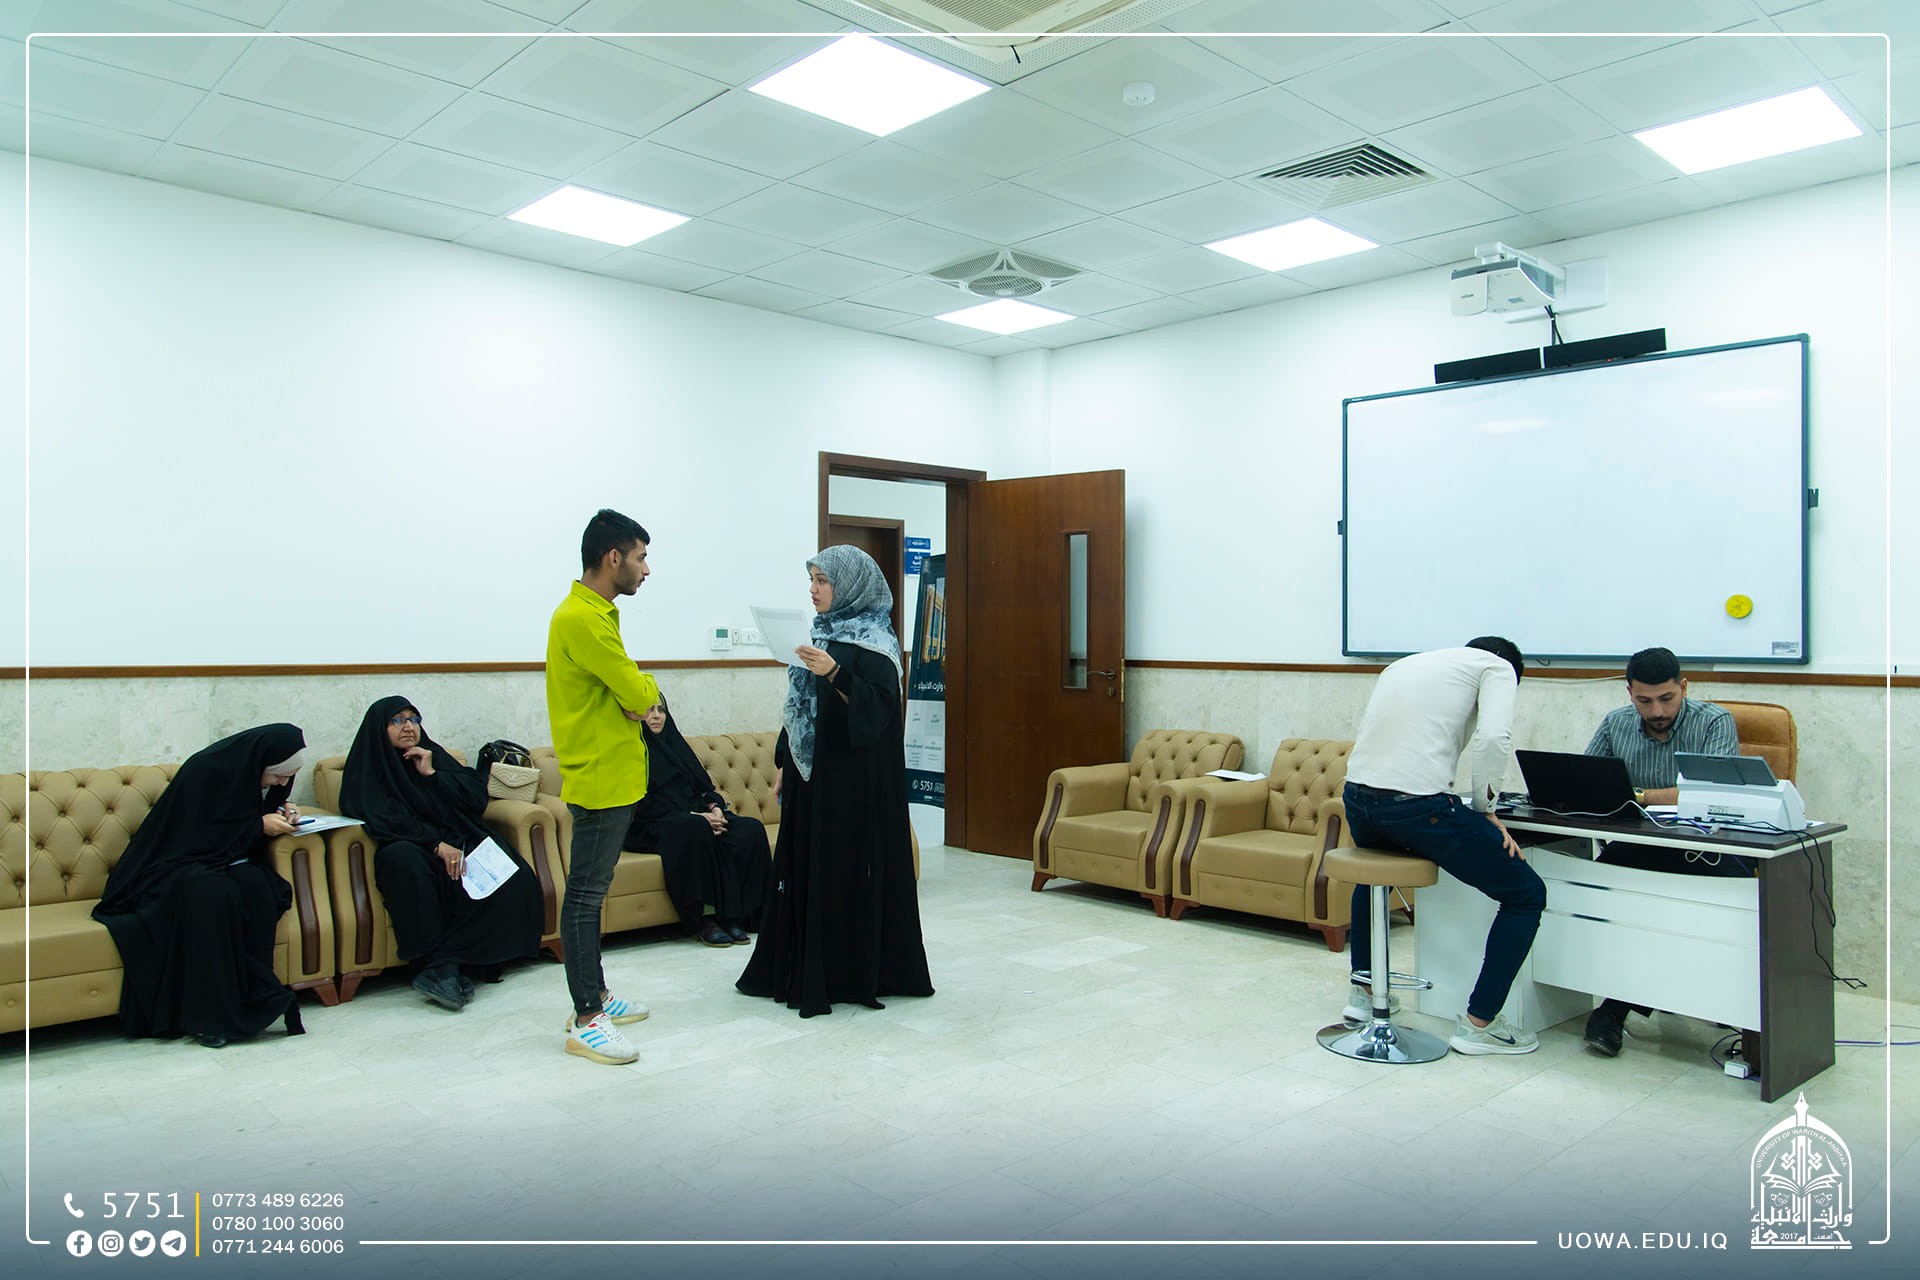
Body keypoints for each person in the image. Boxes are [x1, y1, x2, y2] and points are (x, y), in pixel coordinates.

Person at [737, 545, 932, 1018]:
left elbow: (880, 712)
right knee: (803, 868)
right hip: (812, 777)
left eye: (823, 581)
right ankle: (794, 966)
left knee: (841, 871)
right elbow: (799, 708)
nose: (814, 589)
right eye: (812, 580)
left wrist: (836, 673)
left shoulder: (876, 642)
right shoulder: (820, 634)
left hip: (854, 787)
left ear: (851, 586)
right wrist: (784, 761)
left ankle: (846, 974)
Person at [1340, 638, 1543, 1055]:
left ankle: (1363, 994)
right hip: (1417, 807)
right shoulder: (1498, 667)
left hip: (1358, 798)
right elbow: (1493, 739)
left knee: (1373, 879)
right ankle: (1481, 1024)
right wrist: (1487, 809)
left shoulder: (1405, 664)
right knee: (1526, 894)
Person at [92, 723, 310, 1048]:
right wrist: (257, 826)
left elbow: (241, 815)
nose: (281, 783)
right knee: (215, 895)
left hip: (219, 861)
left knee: (258, 887)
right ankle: (208, 1016)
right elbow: (194, 834)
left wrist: (282, 809)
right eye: (278, 776)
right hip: (169, 866)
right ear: (259, 761)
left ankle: (256, 995)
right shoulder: (206, 771)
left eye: (288, 777)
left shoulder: (251, 773)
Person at [1579, 645, 1743, 1057]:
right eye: (1644, 700)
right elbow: (1586, 780)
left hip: (1704, 850)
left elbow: (1710, 792)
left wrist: (1638, 795)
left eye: (1667, 698)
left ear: (1684, 686)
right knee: (1589, 889)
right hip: (1641, 845)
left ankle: (1613, 1011)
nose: (1657, 711)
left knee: (1716, 904)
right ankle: (1617, 999)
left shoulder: (1714, 722)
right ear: (1629, 692)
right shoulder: (1616, 723)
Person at [546, 508, 663, 1065]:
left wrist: (636, 695)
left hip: (614, 774)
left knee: (591, 893)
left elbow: (628, 692)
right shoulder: (582, 619)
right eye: (641, 557)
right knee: (585, 897)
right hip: (598, 777)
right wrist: (644, 694)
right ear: (613, 558)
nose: (646, 569)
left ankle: (596, 994)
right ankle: (587, 1017)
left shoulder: (596, 613)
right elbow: (638, 693)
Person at [339, 696, 543, 1011]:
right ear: (380, 728)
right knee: (404, 861)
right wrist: (433, 844)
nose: (408, 727)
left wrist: (433, 774)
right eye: (397, 720)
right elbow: (376, 813)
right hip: (410, 844)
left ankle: (447, 964)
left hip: (457, 838)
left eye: (414, 719)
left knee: (514, 877)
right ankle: (436, 964)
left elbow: (475, 797)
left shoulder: (432, 755)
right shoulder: (369, 767)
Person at [625, 698, 769, 948]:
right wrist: (696, 817)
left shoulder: (676, 745)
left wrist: (715, 808)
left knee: (750, 829)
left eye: (661, 710)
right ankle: (704, 920)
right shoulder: (630, 753)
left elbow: (703, 788)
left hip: (695, 816)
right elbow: (640, 805)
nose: (656, 716)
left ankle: (741, 915)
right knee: (695, 829)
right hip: (651, 823)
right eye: (648, 710)